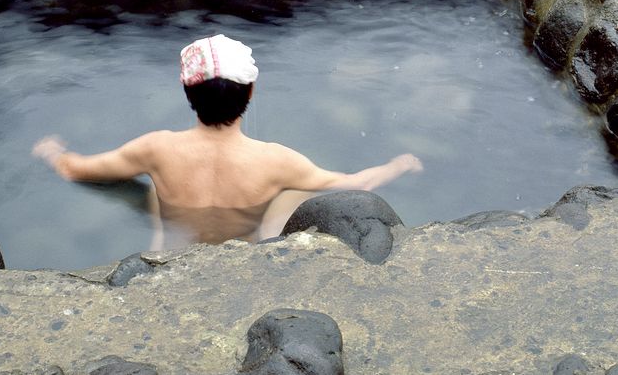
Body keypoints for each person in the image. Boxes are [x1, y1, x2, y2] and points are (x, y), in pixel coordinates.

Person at [32, 33, 421, 248]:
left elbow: (74, 170)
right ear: (250, 93)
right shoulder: (277, 161)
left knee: (150, 190)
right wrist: (397, 165)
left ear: (187, 93)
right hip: (240, 256)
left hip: (172, 253)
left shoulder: (156, 149)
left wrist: (53, 151)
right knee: (291, 194)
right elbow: (357, 185)